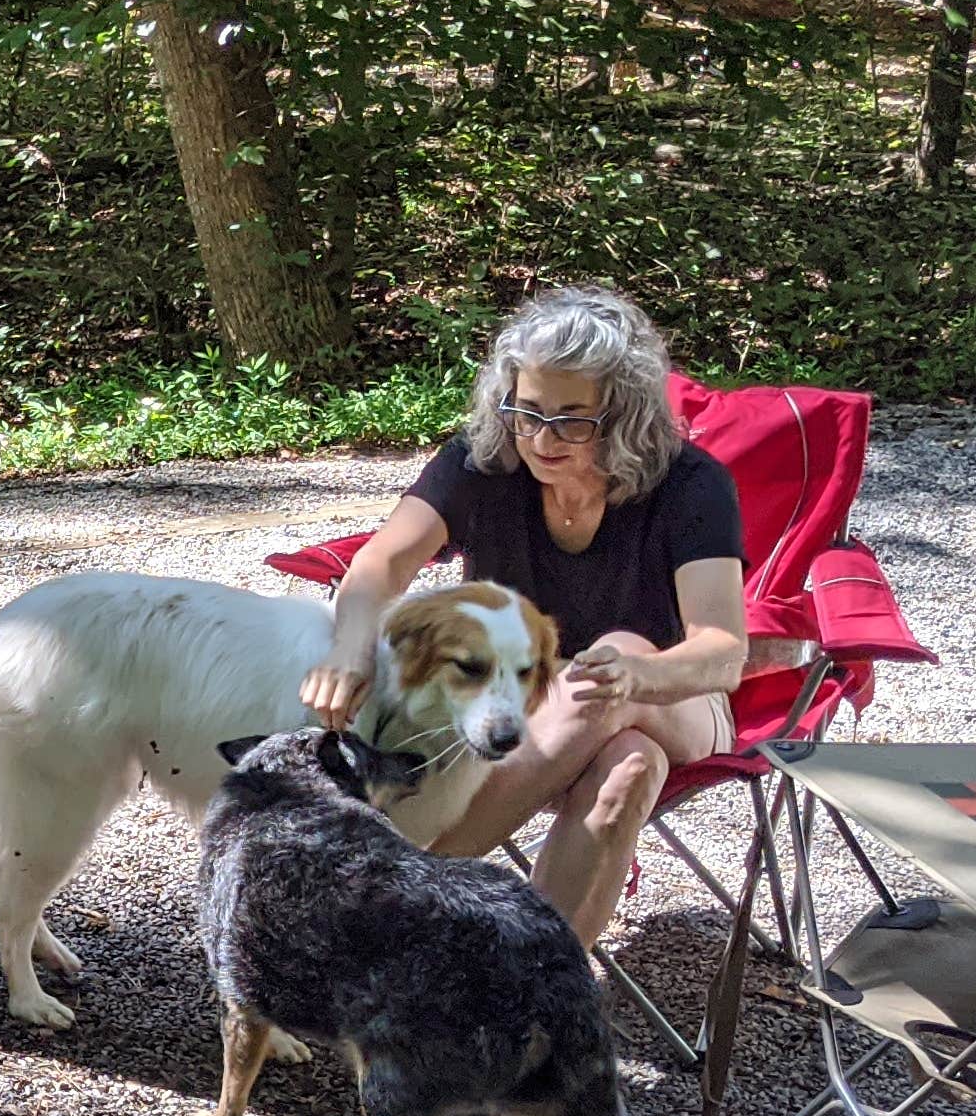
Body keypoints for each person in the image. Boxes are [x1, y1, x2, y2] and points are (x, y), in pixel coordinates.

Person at [301, 284, 748, 949]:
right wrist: (348, 649)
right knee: (627, 768)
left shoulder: (689, 485)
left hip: (678, 696)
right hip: (531, 707)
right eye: (526, 411)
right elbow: (380, 566)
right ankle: (539, 990)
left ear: (622, 414)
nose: (542, 438)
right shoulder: (484, 461)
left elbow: (722, 651)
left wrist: (638, 675)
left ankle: (397, 893)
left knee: (611, 661)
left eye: (572, 418)